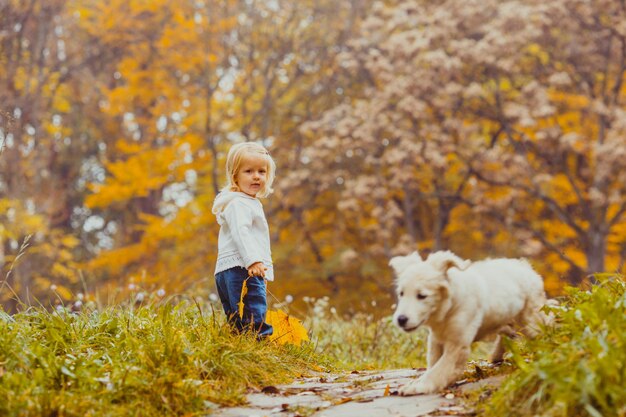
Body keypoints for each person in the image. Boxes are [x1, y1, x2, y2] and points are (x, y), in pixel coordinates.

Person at [212, 142, 276, 337]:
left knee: (238, 317)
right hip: (242, 267)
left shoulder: (240, 202)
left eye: (261, 171)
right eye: (248, 171)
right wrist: (254, 261)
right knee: (254, 313)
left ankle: (240, 346)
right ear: (235, 176)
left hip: (230, 268)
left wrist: (264, 272)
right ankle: (259, 349)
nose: (256, 176)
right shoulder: (239, 203)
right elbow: (242, 233)